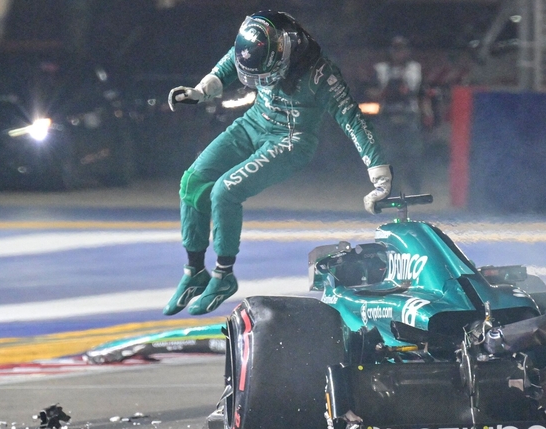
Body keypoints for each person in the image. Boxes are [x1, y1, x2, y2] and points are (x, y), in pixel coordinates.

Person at [163, 10, 391, 316]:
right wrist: (202, 91)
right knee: (192, 181)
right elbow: (234, 60)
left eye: (264, 75)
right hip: (254, 122)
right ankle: (194, 271)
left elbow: (352, 119)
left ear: (287, 53)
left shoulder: (321, 75)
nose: (259, 82)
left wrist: (379, 174)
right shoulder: (262, 43)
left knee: (224, 192)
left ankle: (223, 274)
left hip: (290, 140)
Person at [369, 36, 431, 194]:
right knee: (388, 155)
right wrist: (384, 93)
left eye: (402, 50)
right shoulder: (380, 69)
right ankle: (392, 189)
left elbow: (422, 94)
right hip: (387, 116)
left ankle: (414, 187)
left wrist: (426, 113)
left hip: (409, 115)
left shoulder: (415, 69)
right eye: (396, 50)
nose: (399, 54)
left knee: (413, 154)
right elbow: (369, 91)